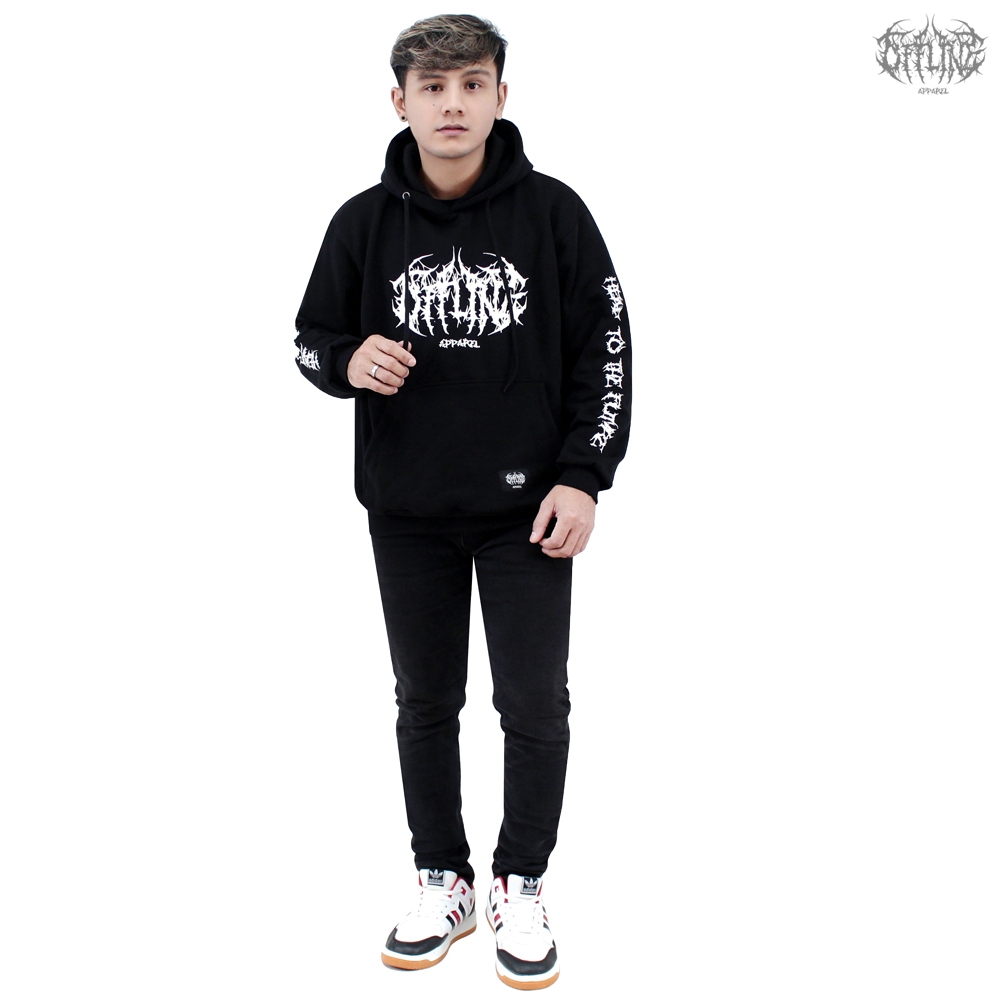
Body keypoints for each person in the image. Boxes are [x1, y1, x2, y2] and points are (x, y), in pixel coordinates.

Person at [293, 14, 631, 990]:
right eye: (433, 88)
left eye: (472, 84)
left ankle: (521, 882)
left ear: (500, 96)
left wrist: (583, 474)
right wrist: (346, 360)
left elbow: (606, 350)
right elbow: (310, 337)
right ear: (398, 101)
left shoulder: (555, 214)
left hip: (531, 510)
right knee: (424, 702)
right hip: (406, 510)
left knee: (534, 703)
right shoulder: (361, 223)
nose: (453, 104)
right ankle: (441, 878)